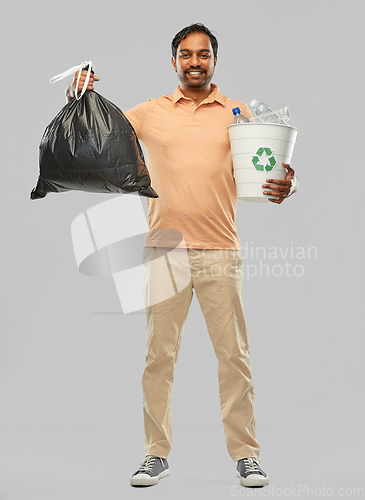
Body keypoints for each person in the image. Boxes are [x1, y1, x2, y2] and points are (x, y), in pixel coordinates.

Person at [66, 23, 298, 489]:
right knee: (159, 357)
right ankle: (155, 454)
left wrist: (290, 184)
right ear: (174, 61)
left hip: (220, 250)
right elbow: (99, 132)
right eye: (187, 54)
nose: (196, 62)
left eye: (204, 54)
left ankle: (246, 455)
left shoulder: (238, 112)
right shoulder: (150, 113)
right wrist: (81, 95)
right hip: (163, 250)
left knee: (234, 357)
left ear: (214, 60)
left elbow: (269, 166)